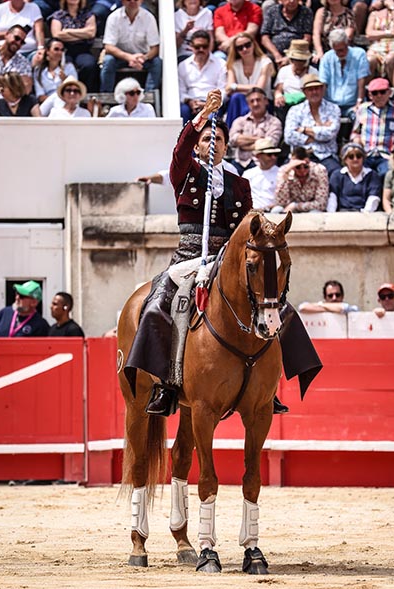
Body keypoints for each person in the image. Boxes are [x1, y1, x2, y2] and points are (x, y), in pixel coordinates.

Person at [124, 88, 309, 416]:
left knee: (275, 302)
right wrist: (201, 118)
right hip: (190, 255)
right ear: (199, 145)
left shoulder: (240, 184)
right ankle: (168, 382)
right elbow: (179, 153)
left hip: (226, 259)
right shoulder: (187, 174)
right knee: (159, 305)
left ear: (226, 145)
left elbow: (249, 225)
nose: (214, 144)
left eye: (219, 140)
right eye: (208, 139)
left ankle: (270, 386)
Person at [284, 73, 341, 177]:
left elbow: (330, 133)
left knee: (336, 174)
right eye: (310, 89)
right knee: (286, 172)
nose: (314, 92)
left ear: (323, 89)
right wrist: (320, 130)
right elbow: (289, 136)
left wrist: (304, 130)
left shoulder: (333, 109)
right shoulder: (295, 110)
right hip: (299, 156)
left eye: (317, 88)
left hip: (326, 155)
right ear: (304, 92)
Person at [100, 0, 162, 94]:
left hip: (142, 58)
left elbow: (155, 47)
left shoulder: (149, 18)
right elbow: (108, 46)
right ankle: (106, 96)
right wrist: (129, 57)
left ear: (141, 1)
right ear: (123, 1)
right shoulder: (114, 17)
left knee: (157, 63)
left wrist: (143, 58)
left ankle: (150, 95)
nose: (133, 1)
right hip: (120, 57)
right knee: (108, 61)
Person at [351, 77, 394, 176]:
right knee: (359, 173)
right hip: (366, 155)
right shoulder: (363, 109)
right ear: (370, 95)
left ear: (389, 92)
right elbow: (355, 132)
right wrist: (357, 142)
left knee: (386, 174)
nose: (379, 96)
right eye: (375, 93)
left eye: (382, 92)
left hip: (388, 155)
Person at [228, 86, 282, 174]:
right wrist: (259, 139)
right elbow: (233, 140)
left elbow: (270, 143)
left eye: (258, 100)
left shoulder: (274, 122)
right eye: (252, 101)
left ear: (266, 101)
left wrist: (243, 145)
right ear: (248, 104)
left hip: (261, 164)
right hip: (238, 162)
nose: (255, 104)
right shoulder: (239, 121)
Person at [224, 32, 274, 127]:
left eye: (247, 45)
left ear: (253, 44)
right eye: (240, 48)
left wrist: (236, 87)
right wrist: (234, 88)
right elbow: (228, 88)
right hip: (240, 101)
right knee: (236, 97)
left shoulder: (265, 62)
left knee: (242, 99)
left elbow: (259, 89)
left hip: (262, 101)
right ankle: (229, 134)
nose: (244, 49)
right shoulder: (233, 64)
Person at [318, 29, 370, 117]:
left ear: (347, 44)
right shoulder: (326, 58)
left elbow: (362, 80)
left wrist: (359, 102)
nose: (340, 53)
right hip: (331, 105)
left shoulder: (359, 54)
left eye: (342, 49)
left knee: (360, 117)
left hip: (352, 104)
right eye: (336, 51)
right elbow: (323, 83)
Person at [178, 30, 227, 123]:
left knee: (211, 118)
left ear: (209, 46)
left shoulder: (221, 64)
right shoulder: (183, 65)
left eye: (204, 46)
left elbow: (222, 90)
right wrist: (190, 102)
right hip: (191, 103)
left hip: (212, 103)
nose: (201, 50)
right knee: (183, 111)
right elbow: (181, 91)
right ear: (191, 47)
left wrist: (208, 105)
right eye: (197, 47)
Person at [50, 0, 98, 93]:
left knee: (89, 65)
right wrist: (82, 33)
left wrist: (68, 31)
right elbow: (56, 34)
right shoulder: (58, 15)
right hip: (65, 50)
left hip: (83, 49)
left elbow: (91, 33)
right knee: (67, 66)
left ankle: (86, 93)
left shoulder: (88, 15)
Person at [0, 25, 32, 113]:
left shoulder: (23, 62)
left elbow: (25, 89)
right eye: (16, 38)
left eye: (22, 42)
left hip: (12, 105)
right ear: (7, 34)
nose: (18, 43)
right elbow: (18, 88)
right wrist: (12, 83)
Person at [327, 142, 382, 212]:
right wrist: (331, 214)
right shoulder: (337, 175)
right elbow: (332, 198)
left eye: (358, 156)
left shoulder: (372, 175)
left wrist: (366, 213)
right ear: (345, 159)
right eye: (351, 156)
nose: (355, 159)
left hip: (364, 214)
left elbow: (374, 198)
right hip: (342, 213)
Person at [273, 39, 318, 123]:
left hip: (306, 102)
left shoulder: (313, 72)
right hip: (287, 102)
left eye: (302, 60)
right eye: (295, 60)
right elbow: (278, 89)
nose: (298, 63)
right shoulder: (284, 71)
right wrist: (278, 96)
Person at [260, 0, 313, 68]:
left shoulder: (306, 12)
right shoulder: (272, 11)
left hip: (298, 52)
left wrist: (289, 57)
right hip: (274, 53)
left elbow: (307, 38)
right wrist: (277, 55)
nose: (292, 1)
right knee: (265, 63)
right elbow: (264, 38)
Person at [275, 146, 329, 212]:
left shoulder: (319, 170)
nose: (302, 170)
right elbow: (281, 202)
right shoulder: (284, 170)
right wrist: (286, 174)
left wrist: (296, 206)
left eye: (306, 167)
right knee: (277, 210)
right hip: (290, 210)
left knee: (315, 213)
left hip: (311, 209)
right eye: (298, 167)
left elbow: (321, 204)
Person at [365, 0, 394, 79]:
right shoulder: (374, 14)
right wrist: (391, 34)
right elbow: (369, 34)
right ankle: (367, 89)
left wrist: (393, 8)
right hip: (376, 48)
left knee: (390, 59)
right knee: (370, 59)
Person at [33, 38, 78, 112]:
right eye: (56, 49)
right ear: (47, 51)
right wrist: (55, 101)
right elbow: (40, 96)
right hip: (47, 104)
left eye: (62, 50)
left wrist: (65, 80)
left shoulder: (69, 68)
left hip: (67, 103)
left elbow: (75, 90)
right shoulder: (39, 71)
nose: (60, 52)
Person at [242, 137, 281, 211]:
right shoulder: (248, 174)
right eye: (269, 154)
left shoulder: (280, 173)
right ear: (258, 156)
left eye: (275, 154)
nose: (273, 157)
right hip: (252, 213)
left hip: (273, 212)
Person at [312, 0, 356, 65]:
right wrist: (319, 52)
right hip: (323, 49)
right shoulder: (321, 12)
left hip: (342, 50)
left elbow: (348, 35)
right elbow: (316, 34)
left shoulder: (349, 13)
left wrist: (334, 54)